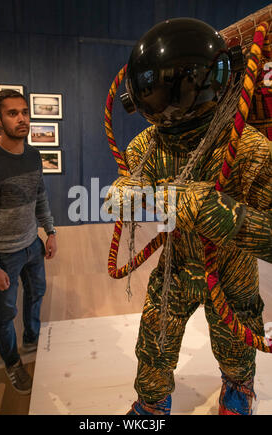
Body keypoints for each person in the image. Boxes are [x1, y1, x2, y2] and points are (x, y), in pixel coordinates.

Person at [106, 18, 272, 415]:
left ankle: (237, 386)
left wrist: (223, 215)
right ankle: (151, 400)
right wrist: (120, 196)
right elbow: (127, 190)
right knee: (154, 339)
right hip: (177, 264)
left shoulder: (252, 150)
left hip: (232, 268)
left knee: (234, 339)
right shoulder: (147, 144)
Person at [0, 89, 57, 395]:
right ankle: (11, 363)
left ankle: (32, 340)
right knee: (5, 312)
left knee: (37, 293)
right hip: (4, 254)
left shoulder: (33, 156)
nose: (22, 118)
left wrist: (50, 231)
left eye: (24, 112)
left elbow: (40, 196)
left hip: (32, 244)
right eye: (12, 113)